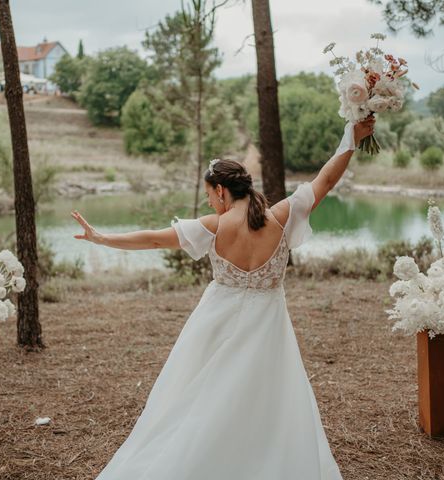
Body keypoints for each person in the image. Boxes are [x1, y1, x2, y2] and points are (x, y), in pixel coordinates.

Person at [71, 117, 375, 480]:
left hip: (215, 322)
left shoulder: (214, 227)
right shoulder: (281, 217)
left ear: (220, 191)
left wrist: (102, 238)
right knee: (265, 400)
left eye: (208, 195)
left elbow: (152, 239)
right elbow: (325, 179)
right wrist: (350, 138)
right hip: (269, 327)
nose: (209, 202)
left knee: (199, 398)